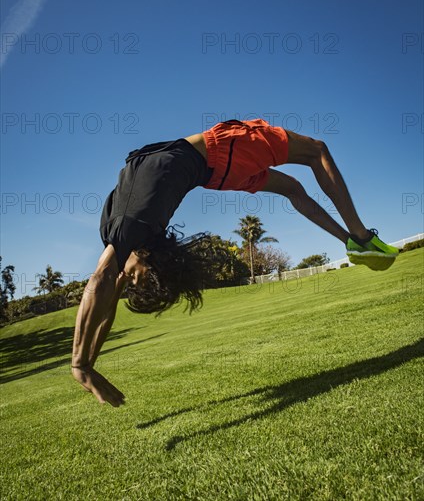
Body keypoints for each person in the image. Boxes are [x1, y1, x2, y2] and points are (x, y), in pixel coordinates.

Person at [71, 118, 399, 406]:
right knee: (316, 150)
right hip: (218, 154)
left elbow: (104, 291)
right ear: (151, 261)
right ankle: (360, 236)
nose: (125, 280)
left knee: (293, 188)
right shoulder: (135, 229)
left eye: (130, 281)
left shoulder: (122, 241)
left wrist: (84, 364)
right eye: (135, 281)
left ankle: (349, 243)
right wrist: (84, 365)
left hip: (215, 171)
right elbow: (104, 291)